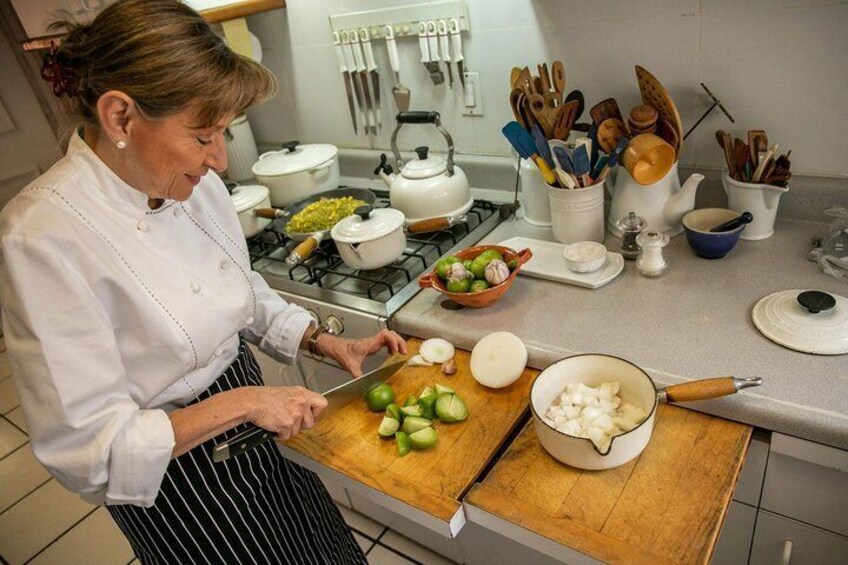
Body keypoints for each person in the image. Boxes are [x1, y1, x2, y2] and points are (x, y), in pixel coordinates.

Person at [0, 1, 407, 563]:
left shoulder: (192, 183)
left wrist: (319, 338)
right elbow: (88, 451)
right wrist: (242, 403)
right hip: (180, 481)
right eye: (201, 136)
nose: (219, 159)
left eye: (224, 133)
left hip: (262, 423)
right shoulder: (42, 237)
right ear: (120, 117)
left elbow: (241, 292)